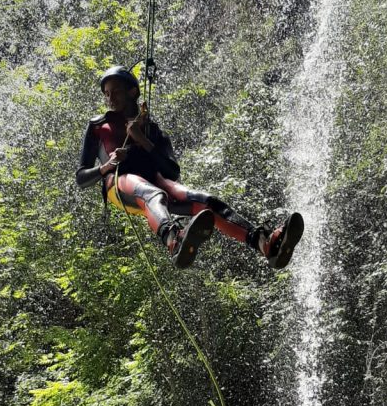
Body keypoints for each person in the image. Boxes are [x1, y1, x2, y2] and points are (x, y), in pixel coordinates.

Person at [76, 65, 304, 269]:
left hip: (154, 179)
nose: (110, 98)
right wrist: (106, 166)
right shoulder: (98, 126)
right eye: (106, 94)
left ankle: (264, 243)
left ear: (132, 92)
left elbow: (172, 172)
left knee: (206, 201)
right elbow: (81, 177)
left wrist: (142, 140)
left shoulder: (152, 130)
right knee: (153, 194)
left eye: (115, 91)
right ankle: (174, 239)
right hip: (118, 183)